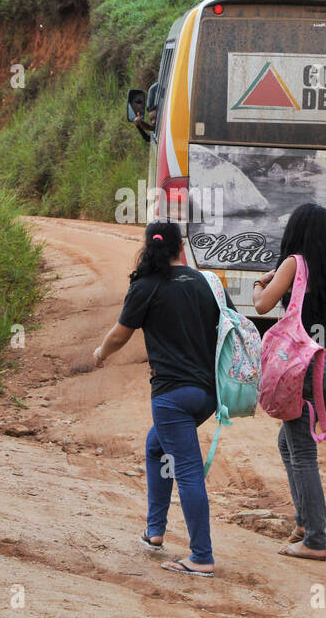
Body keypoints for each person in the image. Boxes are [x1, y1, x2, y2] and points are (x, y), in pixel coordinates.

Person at [91, 221, 234, 578]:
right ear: (180, 249)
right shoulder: (207, 283)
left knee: (187, 471)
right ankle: (154, 531)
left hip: (171, 397)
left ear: (148, 248)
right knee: (157, 447)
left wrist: (99, 353)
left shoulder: (145, 286)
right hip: (207, 394)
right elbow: (231, 327)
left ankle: (201, 556)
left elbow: (119, 334)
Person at [252, 202, 326, 560]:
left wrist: (261, 282)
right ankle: (303, 523)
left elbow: (261, 306)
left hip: (305, 372)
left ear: (295, 232)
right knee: (290, 443)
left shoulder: (292, 264)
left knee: (302, 451)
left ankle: (315, 539)